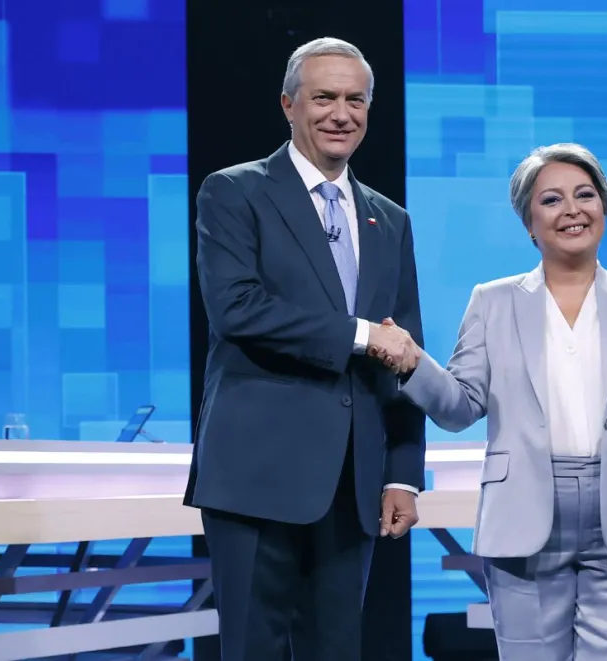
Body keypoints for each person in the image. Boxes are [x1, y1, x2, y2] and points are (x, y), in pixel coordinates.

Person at [374, 143, 607, 661]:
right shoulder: (492, 301)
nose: (572, 210)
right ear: (529, 222)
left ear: (605, 207)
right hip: (522, 512)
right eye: (551, 200)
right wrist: (414, 363)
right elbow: (460, 407)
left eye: (585, 195)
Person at [183, 37, 426, 661]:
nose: (341, 114)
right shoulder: (234, 192)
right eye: (323, 98)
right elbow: (237, 308)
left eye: (355, 100)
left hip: (352, 483)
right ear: (289, 105)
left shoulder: (389, 220)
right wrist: (361, 335)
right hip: (256, 475)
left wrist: (404, 472)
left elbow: (405, 353)